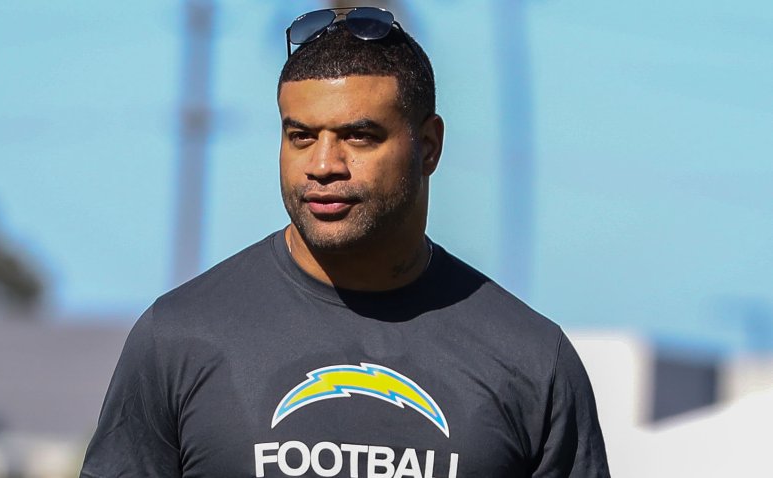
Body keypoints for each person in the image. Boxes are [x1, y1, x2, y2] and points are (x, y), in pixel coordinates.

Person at [80, 7, 609, 478]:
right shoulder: (179, 338)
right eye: (301, 136)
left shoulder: (532, 359)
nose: (323, 165)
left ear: (427, 146)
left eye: (359, 136)